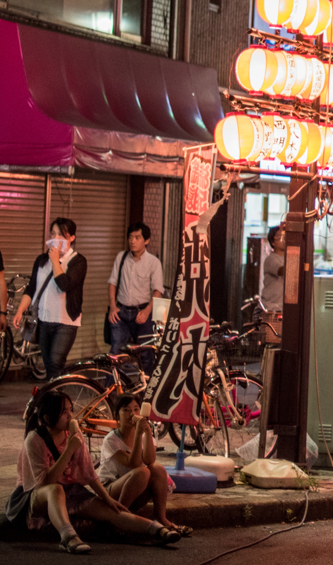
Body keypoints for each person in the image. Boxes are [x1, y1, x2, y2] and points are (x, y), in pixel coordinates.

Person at [5, 390, 180, 553]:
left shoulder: (73, 435)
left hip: (71, 492)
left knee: (113, 511)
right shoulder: (35, 439)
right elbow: (45, 481)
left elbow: (89, 474)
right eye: (64, 412)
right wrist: (69, 450)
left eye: (70, 410)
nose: (70, 416)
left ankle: (158, 530)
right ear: (48, 417)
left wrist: (108, 499)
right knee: (55, 489)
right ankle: (68, 537)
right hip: (36, 494)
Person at [98, 394, 189, 536]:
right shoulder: (111, 440)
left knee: (157, 468)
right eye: (126, 410)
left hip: (135, 489)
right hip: (111, 490)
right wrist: (139, 434)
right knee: (142, 472)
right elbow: (132, 464)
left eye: (136, 409)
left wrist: (146, 431)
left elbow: (149, 460)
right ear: (117, 415)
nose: (132, 414)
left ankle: (161, 518)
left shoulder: (146, 436)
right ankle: (119, 519)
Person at [12, 218, 88, 380]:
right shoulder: (41, 260)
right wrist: (20, 311)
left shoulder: (78, 261)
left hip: (65, 322)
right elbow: (32, 288)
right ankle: (54, 400)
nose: (56, 238)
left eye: (61, 234)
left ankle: (57, 401)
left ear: (72, 238)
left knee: (56, 363)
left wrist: (55, 261)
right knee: (49, 367)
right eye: (53, 233)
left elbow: (64, 285)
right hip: (44, 320)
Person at [108, 223, 164, 374]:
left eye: (137, 238)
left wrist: (147, 311)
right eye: (131, 237)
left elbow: (158, 290)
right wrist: (113, 306)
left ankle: (146, 393)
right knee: (115, 353)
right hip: (122, 312)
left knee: (146, 354)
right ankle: (111, 392)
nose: (132, 241)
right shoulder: (121, 257)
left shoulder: (153, 262)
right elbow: (113, 283)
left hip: (143, 314)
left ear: (146, 241)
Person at [261, 226, 286, 313]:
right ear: (273, 242)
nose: (284, 240)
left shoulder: (288, 259)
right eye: (280, 237)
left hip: (282, 307)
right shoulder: (271, 259)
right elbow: (281, 271)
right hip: (271, 307)